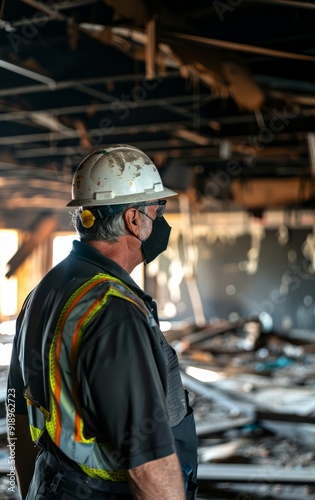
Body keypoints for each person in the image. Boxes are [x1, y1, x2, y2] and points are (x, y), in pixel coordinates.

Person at [7, 144, 198, 499]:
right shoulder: (114, 311)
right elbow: (149, 465)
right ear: (133, 219)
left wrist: (29, 491)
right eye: (159, 210)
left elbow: (17, 411)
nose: (163, 222)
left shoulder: (43, 293)